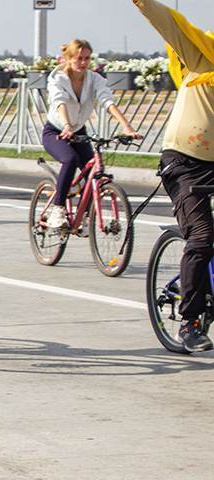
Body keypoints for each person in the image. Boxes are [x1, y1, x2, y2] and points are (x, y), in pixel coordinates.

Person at [133, 0, 214, 352]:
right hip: (185, 161)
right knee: (202, 236)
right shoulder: (202, 58)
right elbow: (167, 20)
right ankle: (190, 322)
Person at [41, 39, 141, 230]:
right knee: (70, 159)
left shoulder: (94, 79)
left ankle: (85, 217)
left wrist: (126, 127)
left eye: (87, 58)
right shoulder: (58, 79)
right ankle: (58, 209)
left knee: (94, 173)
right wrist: (67, 125)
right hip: (56, 131)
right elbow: (59, 102)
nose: (84, 63)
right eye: (79, 58)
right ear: (68, 59)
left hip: (79, 131)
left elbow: (107, 101)